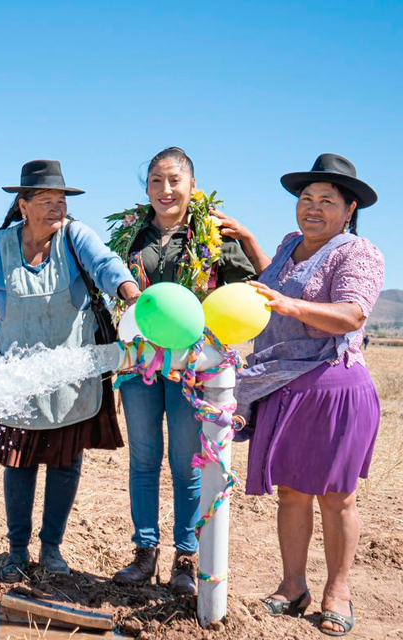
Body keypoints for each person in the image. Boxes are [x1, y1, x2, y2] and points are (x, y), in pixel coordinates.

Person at [0, 159, 140, 581]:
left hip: (70, 374)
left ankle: (52, 549)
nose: (57, 208)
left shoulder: (76, 237)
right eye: (46, 201)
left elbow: (107, 266)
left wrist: (130, 293)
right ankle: (16, 552)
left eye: (61, 200)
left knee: (64, 462)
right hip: (17, 378)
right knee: (19, 463)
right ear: (23, 205)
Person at [225, 154, 383, 636]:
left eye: (326, 201)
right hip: (282, 384)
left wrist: (290, 306)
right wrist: (249, 240)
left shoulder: (357, 253)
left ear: (348, 208)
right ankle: (293, 585)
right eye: (306, 199)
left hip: (332, 385)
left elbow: (352, 315)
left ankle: (338, 590)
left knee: (336, 497)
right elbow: (277, 281)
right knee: (291, 493)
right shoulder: (291, 244)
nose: (312, 208)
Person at [111, 148, 257, 595]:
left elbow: (244, 292)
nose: (165, 189)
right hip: (139, 364)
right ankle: (145, 553)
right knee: (143, 458)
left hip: (194, 368)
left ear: (192, 186)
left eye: (175, 180)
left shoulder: (215, 235)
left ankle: (185, 559)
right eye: (156, 180)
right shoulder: (130, 236)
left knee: (186, 463)